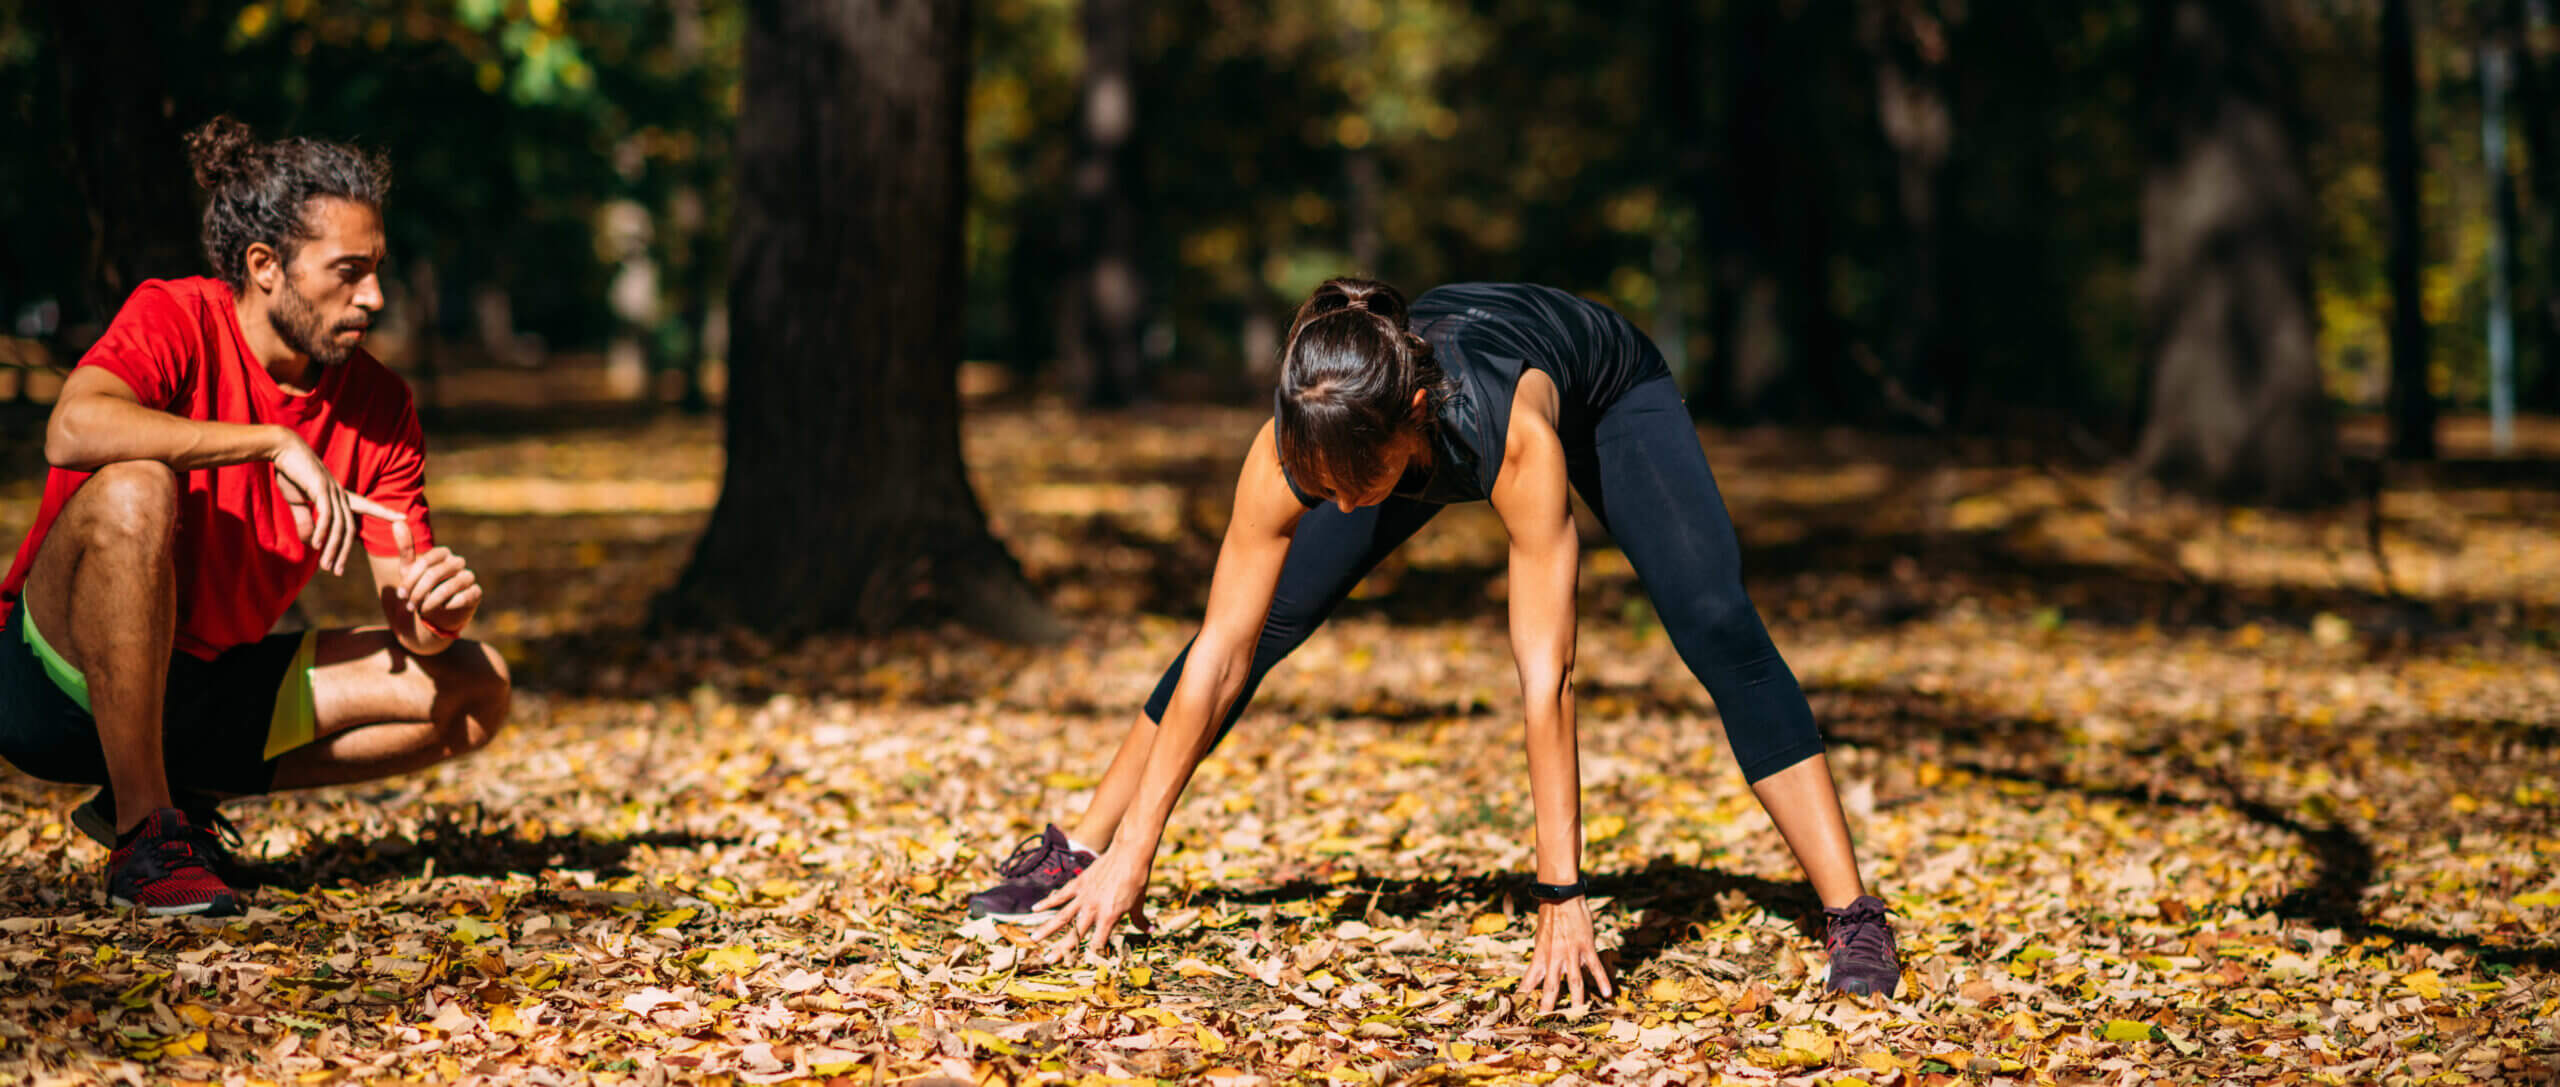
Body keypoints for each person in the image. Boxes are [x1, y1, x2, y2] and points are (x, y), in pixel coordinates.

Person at [967, 278, 1902, 1009]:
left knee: (1715, 622)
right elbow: (1220, 648)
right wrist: (1136, 847)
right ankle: (1081, 848)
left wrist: (1561, 892)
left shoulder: (1510, 439)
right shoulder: (1304, 437)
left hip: (1608, 389)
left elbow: (1547, 678)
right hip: (1396, 419)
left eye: (1351, 483)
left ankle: (1852, 913)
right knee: (1269, 619)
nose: (1335, 504)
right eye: (1318, 482)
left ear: (1412, 414)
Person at [0, 117, 511, 917]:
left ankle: (179, 792)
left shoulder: (380, 406)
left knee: (476, 686)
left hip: (205, 689)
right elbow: (72, 429)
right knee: (136, 486)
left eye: (376, 269)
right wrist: (271, 442)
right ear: (265, 266)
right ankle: (145, 835)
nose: (373, 297)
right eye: (348, 272)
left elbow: (409, 616)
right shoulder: (176, 315)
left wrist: (435, 616)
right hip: (52, 683)